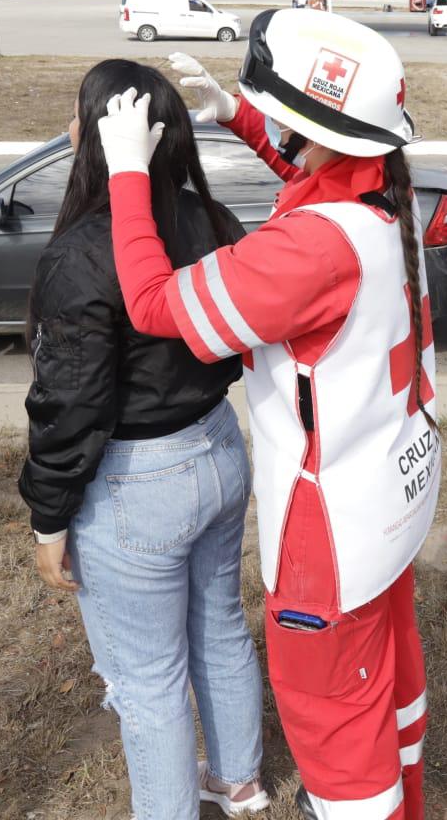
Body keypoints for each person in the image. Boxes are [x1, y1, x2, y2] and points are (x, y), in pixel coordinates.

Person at [98, 14, 440, 820]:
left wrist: (125, 176)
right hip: (389, 500)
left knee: (334, 721)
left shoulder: (311, 252)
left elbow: (154, 303)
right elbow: (317, 176)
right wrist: (238, 117)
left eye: (284, 114)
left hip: (327, 534)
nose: (279, 126)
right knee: (385, 686)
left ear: (315, 124)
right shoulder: (386, 195)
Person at [18, 60, 268, 819]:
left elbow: (70, 401)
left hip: (138, 481)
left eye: (76, 114)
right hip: (218, 448)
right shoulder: (208, 219)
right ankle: (239, 781)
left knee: (148, 680)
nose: (67, 126)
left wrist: (49, 517)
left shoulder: (81, 253)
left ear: (99, 137)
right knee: (219, 625)